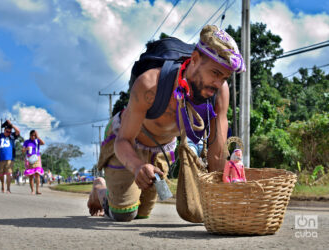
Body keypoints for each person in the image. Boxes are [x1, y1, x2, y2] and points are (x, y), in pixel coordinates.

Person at [87, 25, 245, 221]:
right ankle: (100, 189)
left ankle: (129, 190)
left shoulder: (220, 92)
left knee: (142, 214)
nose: (218, 83)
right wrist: (137, 167)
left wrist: (221, 196)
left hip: (161, 149)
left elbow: (217, 151)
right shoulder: (150, 84)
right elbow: (123, 140)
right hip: (127, 141)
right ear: (194, 59)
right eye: (214, 73)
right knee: (124, 214)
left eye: (224, 77)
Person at [0, 120, 20, 193]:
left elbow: (18, 131)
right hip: (0, 158)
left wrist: (11, 124)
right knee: (0, 174)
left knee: (9, 173)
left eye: (10, 132)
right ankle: (2, 185)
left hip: (10, 158)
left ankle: (8, 189)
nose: (8, 133)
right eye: (7, 131)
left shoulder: (12, 136)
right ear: (4, 130)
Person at [22, 130, 45, 195]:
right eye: (32, 135)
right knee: (31, 176)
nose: (33, 136)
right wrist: (26, 149)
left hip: (37, 158)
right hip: (29, 159)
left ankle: (37, 190)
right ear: (30, 135)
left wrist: (38, 137)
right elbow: (22, 150)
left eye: (34, 135)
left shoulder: (37, 141)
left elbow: (43, 143)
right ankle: (32, 190)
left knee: (37, 174)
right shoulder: (26, 142)